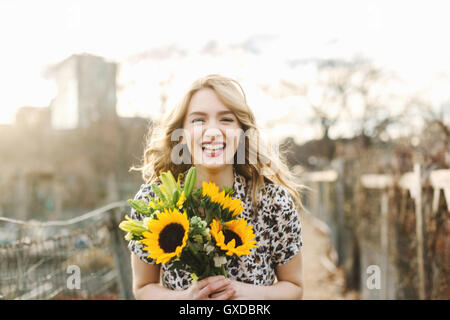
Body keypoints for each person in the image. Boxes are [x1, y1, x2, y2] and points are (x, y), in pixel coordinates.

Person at [128, 74, 304, 300]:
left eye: (226, 120)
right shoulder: (153, 202)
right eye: (198, 120)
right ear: (181, 135)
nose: (212, 131)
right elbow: (143, 288)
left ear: (241, 133)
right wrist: (186, 300)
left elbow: (294, 287)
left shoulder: (273, 203)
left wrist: (245, 294)